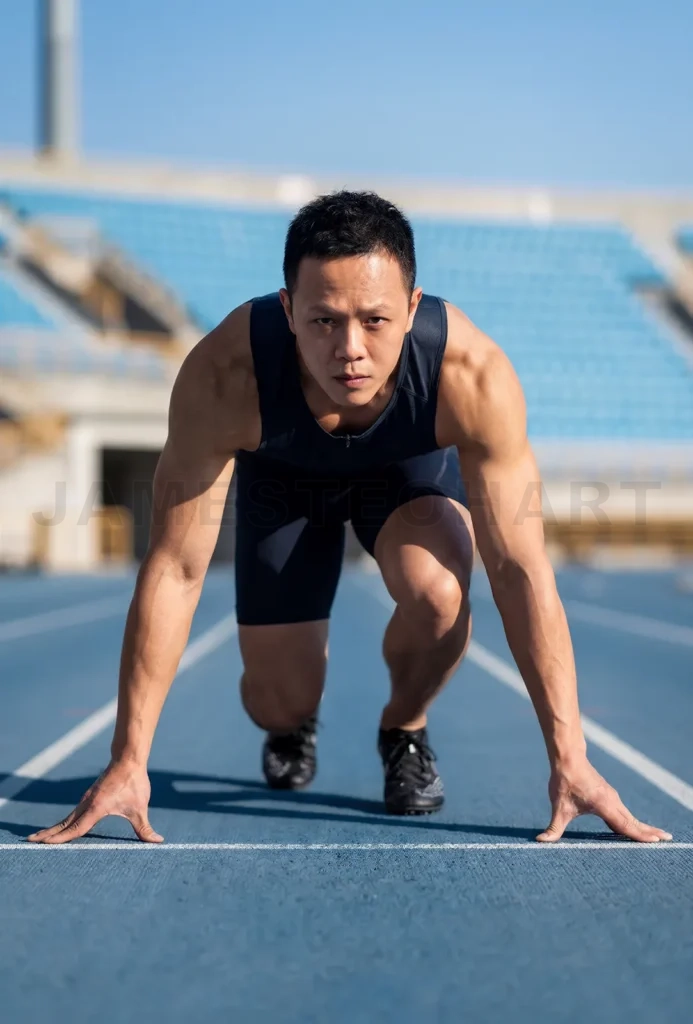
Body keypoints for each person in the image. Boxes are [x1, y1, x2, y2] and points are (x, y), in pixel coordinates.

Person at [29, 191, 671, 844]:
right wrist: (128, 761)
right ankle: (291, 724)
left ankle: (405, 729)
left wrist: (571, 760)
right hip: (283, 484)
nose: (350, 349)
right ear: (287, 310)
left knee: (441, 593)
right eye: (324, 321)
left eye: (374, 320)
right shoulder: (226, 375)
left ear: (412, 308)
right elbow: (174, 567)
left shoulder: (470, 376)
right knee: (276, 700)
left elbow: (519, 570)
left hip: (403, 480)